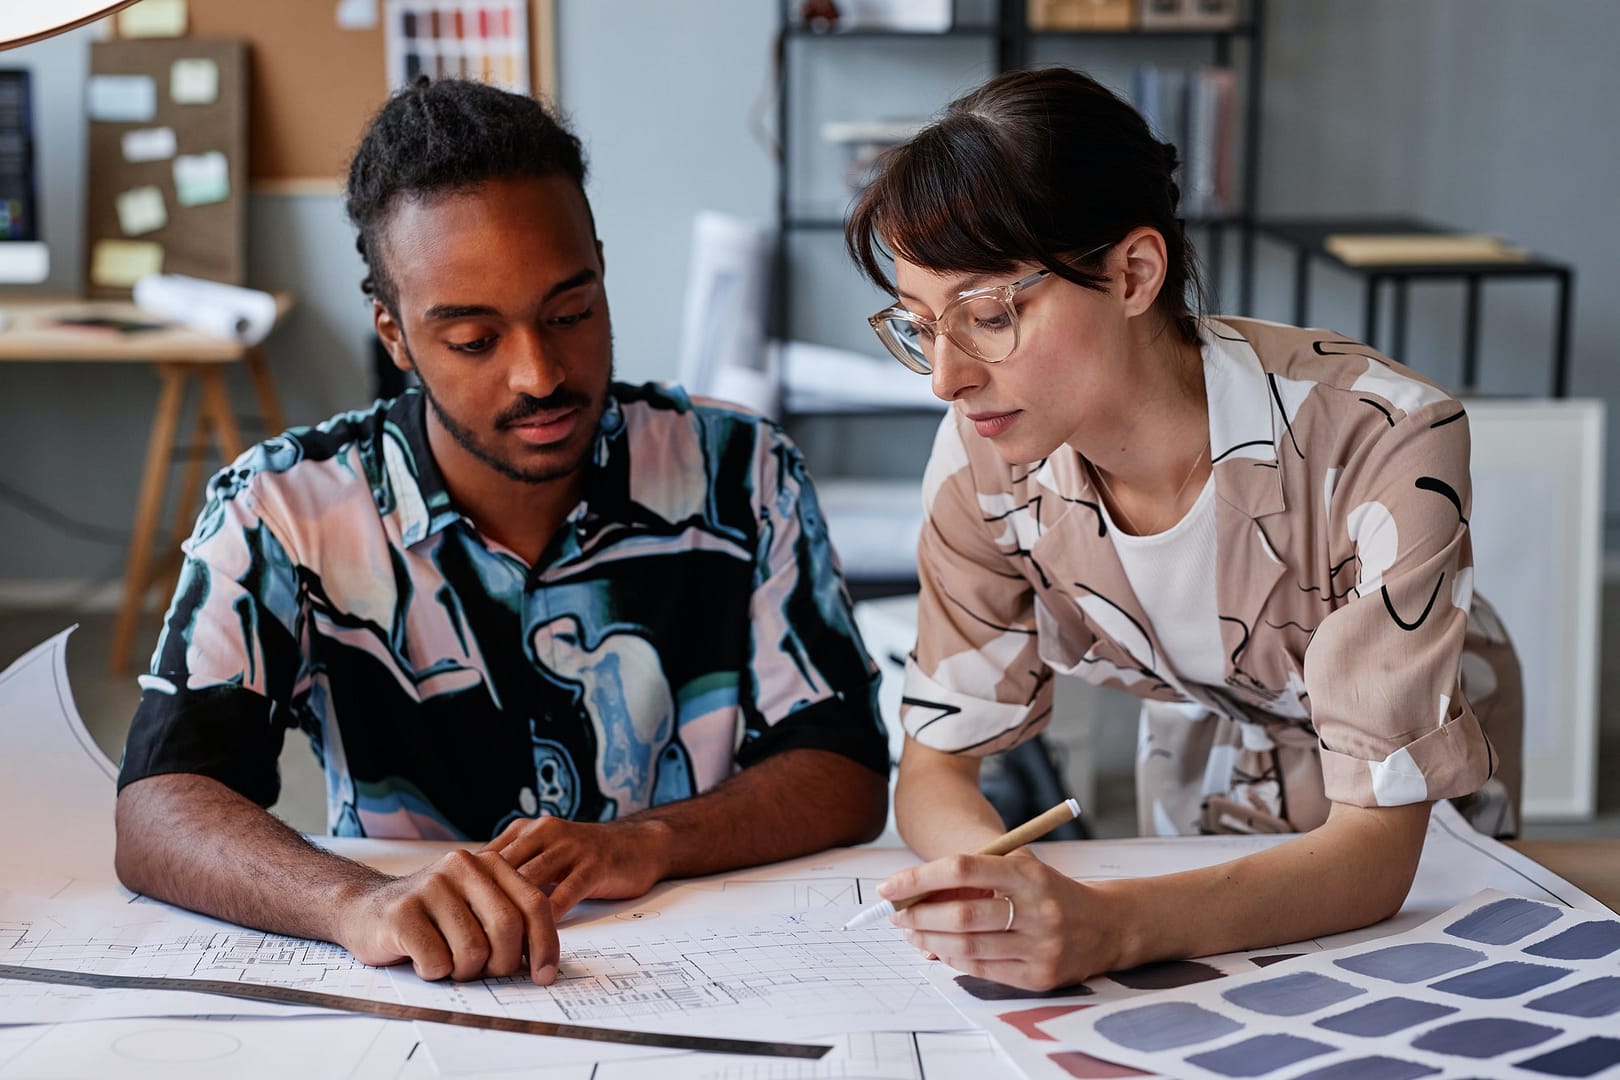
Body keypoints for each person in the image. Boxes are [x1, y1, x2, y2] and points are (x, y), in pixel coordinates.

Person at [114, 78, 890, 987]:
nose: (539, 374)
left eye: (570, 314)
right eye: (475, 339)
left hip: (698, 972)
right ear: (395, 335)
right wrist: (353, 902)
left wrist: (648, 842)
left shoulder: (741, 473)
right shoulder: (285, 507)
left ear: (600, 268)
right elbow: (160, 805)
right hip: (420, 990)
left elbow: (843, 765)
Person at [842, 67, 1522, 991]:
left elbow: (1375, 850)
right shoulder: (983, 459)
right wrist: (998, 885)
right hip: (1207, 758)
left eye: (989, 315)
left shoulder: (1381, 435)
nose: (945, 377)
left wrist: (1112, 927)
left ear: (1133, 273)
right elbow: (931, 772)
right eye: (920, 327)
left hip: (1409, 799)